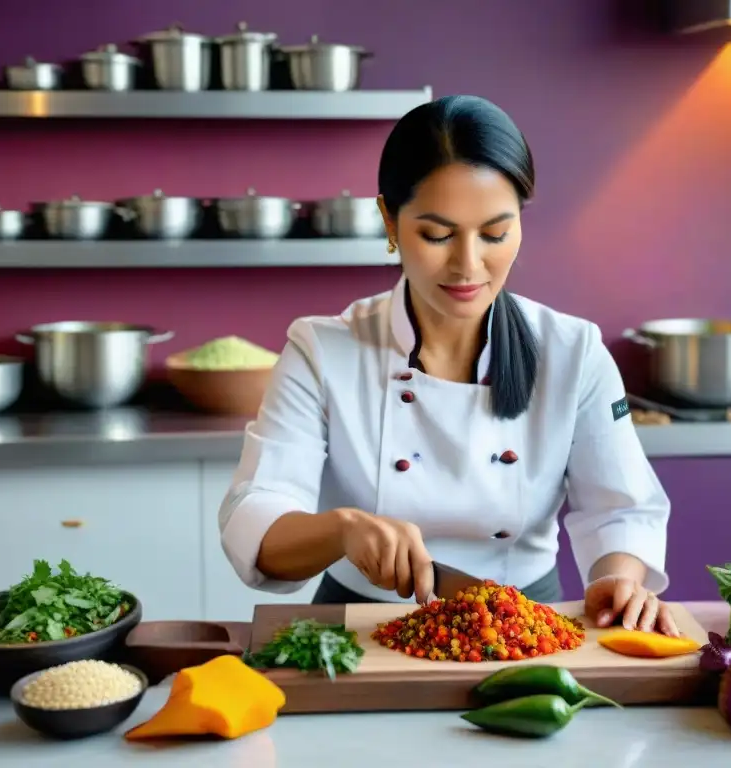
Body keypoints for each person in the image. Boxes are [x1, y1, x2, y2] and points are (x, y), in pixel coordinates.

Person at [219, 94, 678, 636]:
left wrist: (619, 579)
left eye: (494, 234)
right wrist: (341, 530)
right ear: (389, 219)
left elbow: (621, 510)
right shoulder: (322, 350)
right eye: (437, 235)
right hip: (355, 628)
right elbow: (257, 516)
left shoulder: (573, 351)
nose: (467, 265)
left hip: (520, 626)